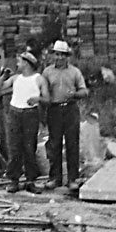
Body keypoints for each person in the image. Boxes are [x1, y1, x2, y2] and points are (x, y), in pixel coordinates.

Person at [0, 51, 49, 193]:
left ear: (26, 63)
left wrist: (38, 99)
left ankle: (30, 181)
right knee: (14, 148)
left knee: (29, 148)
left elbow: (47, 99)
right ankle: (14, 181)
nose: (17, 64)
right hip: (15, 113)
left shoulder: (39, 79)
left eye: (20, 61)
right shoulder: (15, 78)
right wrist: (4, 76)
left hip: (30, 115)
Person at [40, 40, 89, 192]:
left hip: (70, 109)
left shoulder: (75, 72)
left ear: (67, 56)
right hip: (54, 110)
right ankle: (55, 178)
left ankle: (73, 178)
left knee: (72, 143)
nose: (59, 57)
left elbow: (84, 91)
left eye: (62, 55)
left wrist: (74, 94)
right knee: (54, 144)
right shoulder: (47, 72)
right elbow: (43, 93)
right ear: (53, 55)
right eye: (56, 54)